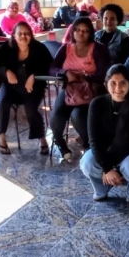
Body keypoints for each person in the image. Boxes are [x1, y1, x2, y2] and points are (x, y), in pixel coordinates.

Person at [81, 64, 129, 204]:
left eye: (123, 83)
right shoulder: (97, 104)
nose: (118, 88)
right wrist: (107, 168)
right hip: (106, 150)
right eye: (113, 83)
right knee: (87, 163)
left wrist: (112, 168)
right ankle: (102, 188)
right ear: (106, 84)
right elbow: (93, 140)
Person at [0, 22, 52, 156]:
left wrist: (34, 75)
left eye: (26, 33)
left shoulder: (39, 48)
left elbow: (50, 66)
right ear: (14, 36)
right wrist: (6, 71)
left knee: (31, 109)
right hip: (11, 87)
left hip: (32, 88)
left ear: (31, 35)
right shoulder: (7, 46)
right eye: (20, 33)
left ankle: (42, 139)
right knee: (3, 103)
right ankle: (2, 137)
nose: (23, 36)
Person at [49, 17, 111, 158]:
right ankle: (60, 143)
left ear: (90, 33)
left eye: (85, 31)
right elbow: (52, 68)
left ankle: (89, 146)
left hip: (91, 89)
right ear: (73, 32)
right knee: (57, 114)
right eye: (78, 30)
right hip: (70, 88)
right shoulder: (66, 48)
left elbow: (104, 72)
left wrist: (87, 77)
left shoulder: (98, 49)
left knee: (77, 115)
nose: (81, 33)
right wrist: (65, 73)